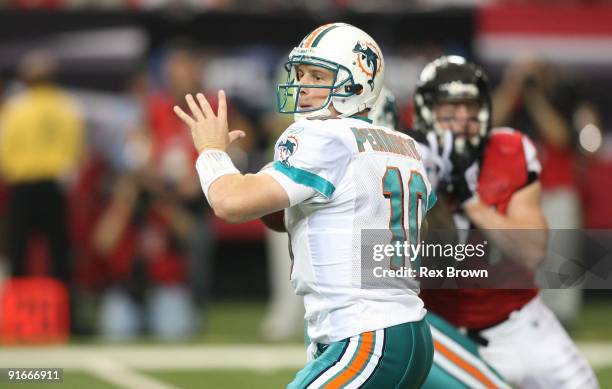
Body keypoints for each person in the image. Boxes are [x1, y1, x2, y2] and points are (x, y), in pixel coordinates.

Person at [175, 22, 436, 388]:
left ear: (357, 83)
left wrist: (210, 151)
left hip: (366, 334)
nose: (303, 86)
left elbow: (230, 203)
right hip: (408, 331)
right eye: (300, 74)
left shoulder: (322, 135)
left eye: (318, 75)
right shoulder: (402, 145)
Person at [413, 55, 598, 388]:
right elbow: (406, 258)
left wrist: (472, 201)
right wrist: (434, 193)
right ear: (427, 111)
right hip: (439, 334)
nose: (463, 119)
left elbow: (532, 251)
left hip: (516, 324)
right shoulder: (407, 158)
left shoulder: (509, 148)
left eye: (470, 107)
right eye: (449, 109)